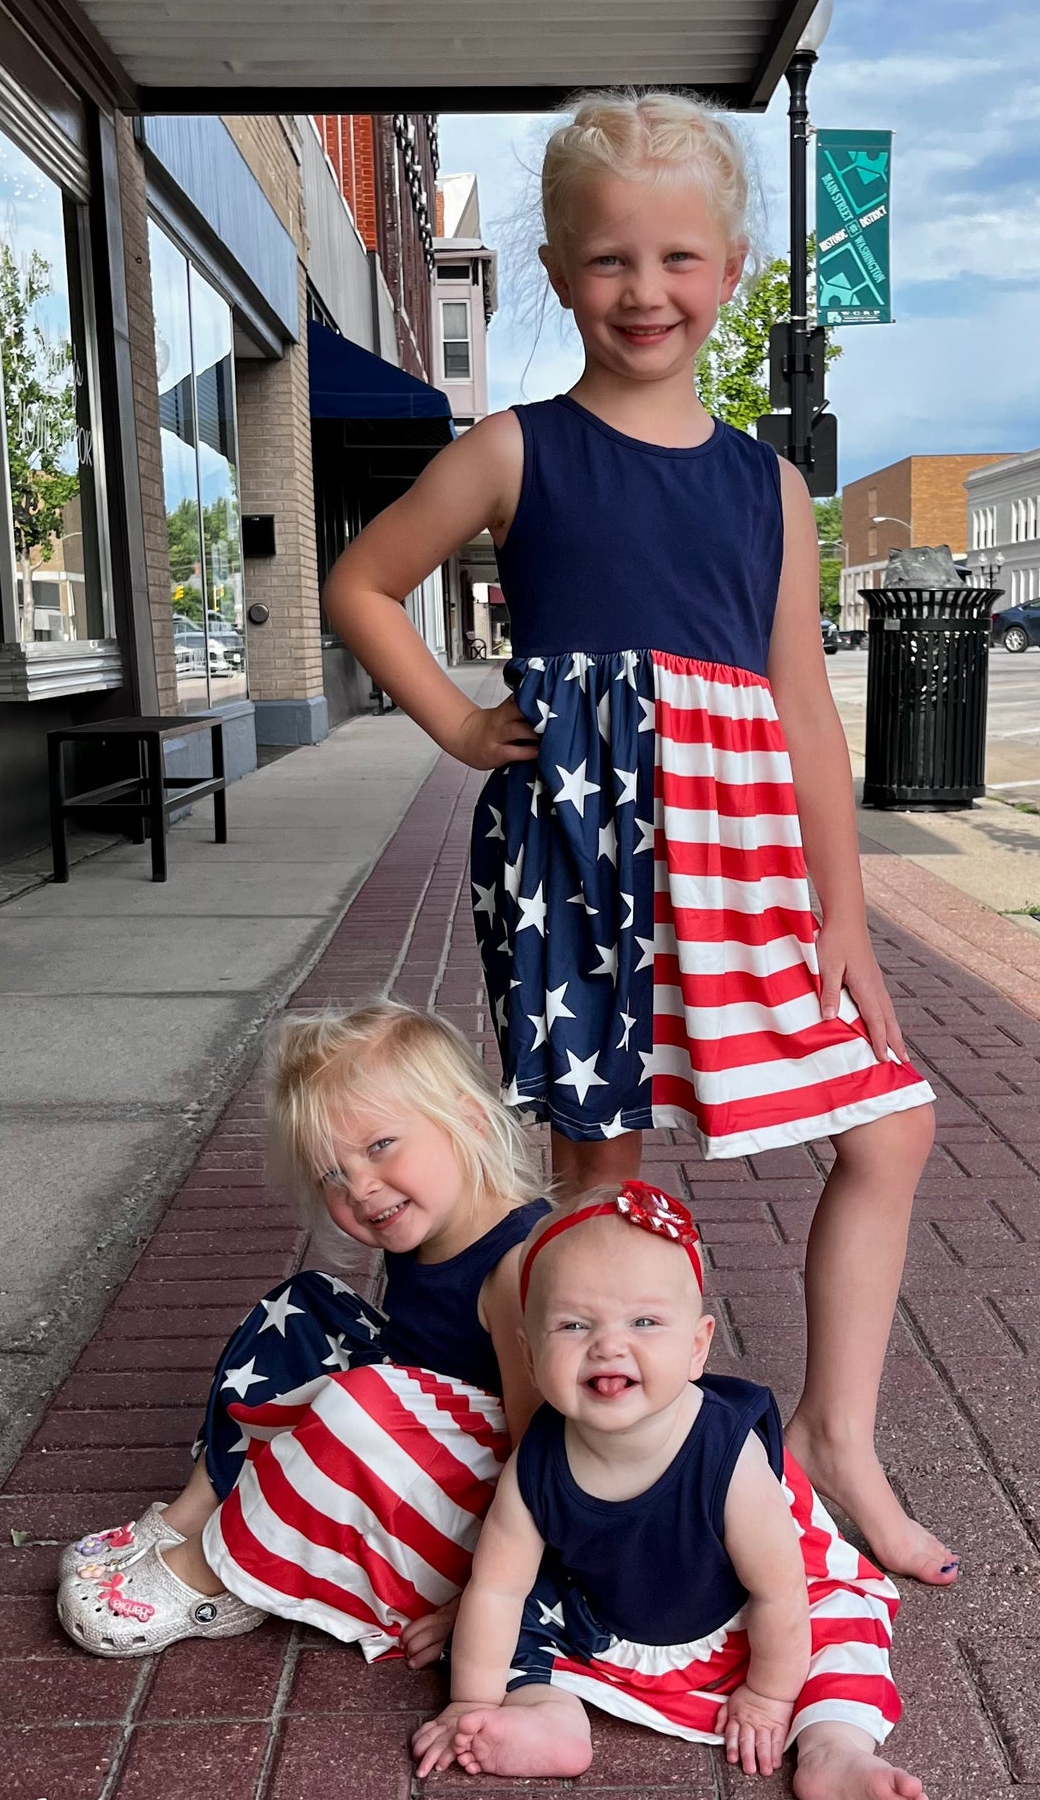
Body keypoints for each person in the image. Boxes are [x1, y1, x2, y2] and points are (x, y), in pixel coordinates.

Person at [324, 91, 951, 1584]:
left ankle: (836, 1437)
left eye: (679, 257)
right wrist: (464, 726)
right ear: (556, 269)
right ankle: (580, 1503)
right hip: (581, 867)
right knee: (596, 1188)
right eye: (610, 260)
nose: (646, 290)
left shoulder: (769, 486)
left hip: (742, 870)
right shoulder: (517, 449)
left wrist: (843, 910)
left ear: (731, 269)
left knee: (892, 1123)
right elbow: (362, 582)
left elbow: (804, 702)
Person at [412, 1181, 928, 1800]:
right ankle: (548, 1719)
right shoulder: (537, 1463)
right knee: (500, 1628)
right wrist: (470, 1701)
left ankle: (834, 1751)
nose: (608, 1345)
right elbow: (496, 1586)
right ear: (530, 1352)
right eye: (573, 1324)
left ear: (697, 1344)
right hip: (606, 1626)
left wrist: (769, 1697)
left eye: (644, 1322)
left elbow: (779, 1589)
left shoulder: (725, 1454)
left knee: (842, 1626)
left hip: (751, 1627)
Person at [59, 1001, 547, 1662]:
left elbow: (542, 1454)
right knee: (303, 1305)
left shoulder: (519, 1266)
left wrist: (489, 1594)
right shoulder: (428, 1220)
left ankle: (220, 1572)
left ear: (468, 1118)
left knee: (364, 1402)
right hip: (417, 1446)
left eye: (380, 1146)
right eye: (334, 1175)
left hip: (475, 1519)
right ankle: (197, 1511)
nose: (364, 1189)